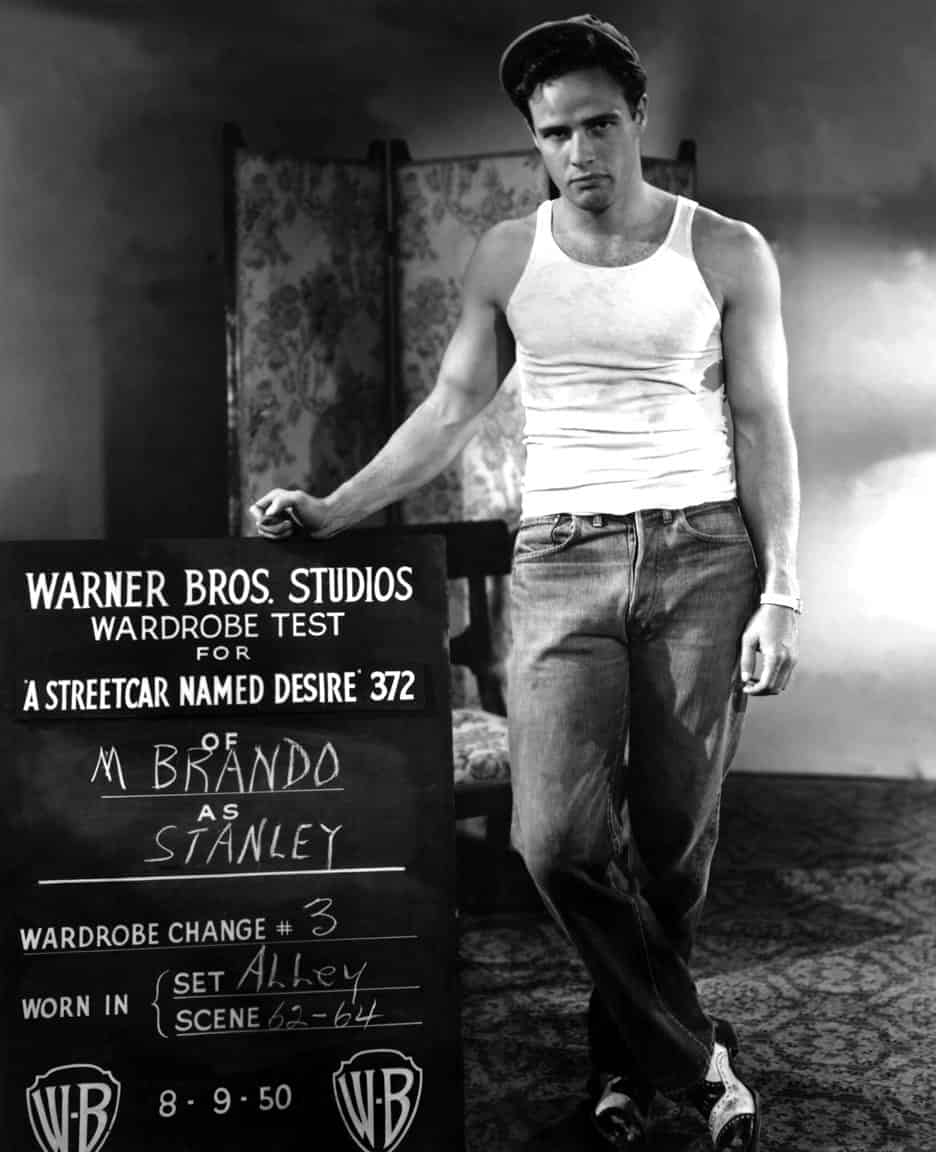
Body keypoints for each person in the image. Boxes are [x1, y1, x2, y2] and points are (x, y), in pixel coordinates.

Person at [252, 14, 799, 1150]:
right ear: (536, 143)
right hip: (561, 556)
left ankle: (622, 1061)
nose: (581, 153)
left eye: (600, 124)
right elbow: (450, 412)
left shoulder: (728, 250)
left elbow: (763, 424)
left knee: (670, 849)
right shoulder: (508, 255)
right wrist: (333, 512)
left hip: (705, 555)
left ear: (637, 118)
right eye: (556, 135)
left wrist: (781, 589)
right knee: (553, 841)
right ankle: (701, 1064)